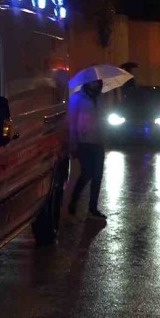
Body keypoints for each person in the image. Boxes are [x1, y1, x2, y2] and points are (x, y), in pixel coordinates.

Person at [68, 79, 107, 220]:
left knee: (98, 175)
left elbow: (103, 117)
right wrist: (73, 141)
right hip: (83, 142)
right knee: (87, 173)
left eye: (98, 82)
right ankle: (73, 201)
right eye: (93, 82)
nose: (96, 84)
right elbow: (72, 120)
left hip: (98, 141)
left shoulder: (100, 98)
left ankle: (93, 208)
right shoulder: (77, 98)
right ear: (87, 82)